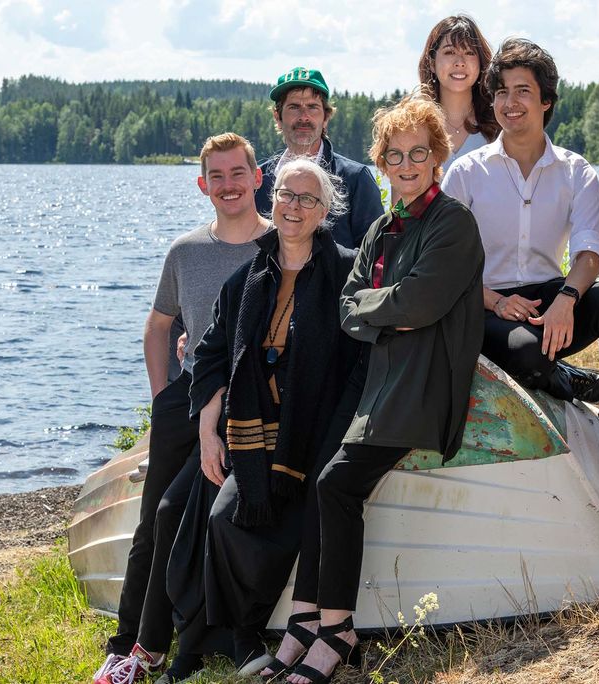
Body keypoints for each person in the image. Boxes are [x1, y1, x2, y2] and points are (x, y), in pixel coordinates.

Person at [284, 93, 485, 684]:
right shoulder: (380, 226)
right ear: (381, 162)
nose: (405, 164)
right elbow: (349, 311)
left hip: (423, 385)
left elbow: (420, 305)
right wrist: (384, 310)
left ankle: (338, 630)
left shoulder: (453, 223)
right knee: (321, 475)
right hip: (381, 383)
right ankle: (309, 621)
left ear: (437, 157)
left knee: (337, 484)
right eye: (394, 155)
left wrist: (383, 310)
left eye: (417, 153)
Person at [174, 158, 362, 680]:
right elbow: (210, 355)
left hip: (318, 430)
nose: (293, 207)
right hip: (256, 436)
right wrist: (209, 430)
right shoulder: (248, 278)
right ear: (270, 200)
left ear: (325, 211)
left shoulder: (345, 272)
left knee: (299, 515)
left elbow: (366, 354)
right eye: (285, 195)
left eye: (307, 199)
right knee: (221, 519)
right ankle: (244, 634)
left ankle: (296, 627)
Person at [93, 133, 269, 684]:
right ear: (202, 186)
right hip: (187, 398)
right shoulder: (185, 252)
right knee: (151, 523)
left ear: (257, 177)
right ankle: (127, 644)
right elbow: (158, 325)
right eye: (216, 177)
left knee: (185, 514)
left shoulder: (278, 245)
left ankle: (183, 639)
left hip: (247, 405)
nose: (228, 185)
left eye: (237, 173)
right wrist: (162, 396)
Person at [442, 38, 599, 451]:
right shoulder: (465, 173)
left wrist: (567, 299)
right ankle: (569, 377)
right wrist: (495, 302)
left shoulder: (577, 172)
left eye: (523, 90)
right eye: (501, 91)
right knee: (528, 356)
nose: (510, 102)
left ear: (546, 100)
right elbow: (446, 261)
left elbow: (589, 252)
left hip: (551, 298)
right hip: (484, 303)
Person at [255, 67, 384, 249]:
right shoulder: (258, 180)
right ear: (278, 116)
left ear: (326, 117)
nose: (304, 117)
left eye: (312, 107)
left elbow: (376, 254)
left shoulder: (355, 179)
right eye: (294, 107)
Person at [418, 14, 500, 171]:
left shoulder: (499, 125)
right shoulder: (414, 127)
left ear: (481, 63)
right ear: (432, 63)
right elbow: (402, 194)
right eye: (449, 52)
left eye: (469, 53)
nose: (460, 62)